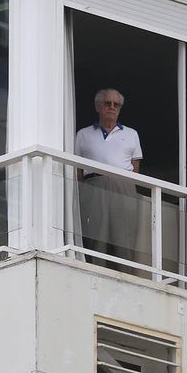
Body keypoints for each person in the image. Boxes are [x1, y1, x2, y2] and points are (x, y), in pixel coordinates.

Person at [74, 88, 143, 266]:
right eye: (107, 103)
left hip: (123, 187)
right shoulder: (83, 134)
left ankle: (126, 275)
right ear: (98, 107)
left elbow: (135, 167)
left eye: (116, 104)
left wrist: (126, 184)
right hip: (94, 186)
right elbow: (78, 171)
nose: (112, 107)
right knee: (97, 236)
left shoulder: (131, 134)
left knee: (124, 238)